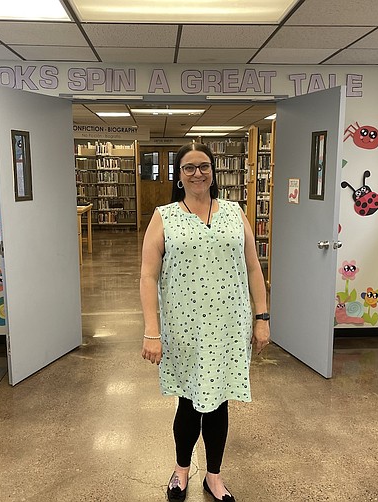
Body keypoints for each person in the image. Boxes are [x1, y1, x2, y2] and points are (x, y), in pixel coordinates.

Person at [140, 142, 270, 501]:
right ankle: (182, 469)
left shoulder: (234, 212)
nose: (198, 173)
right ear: (179, 176)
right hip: (184, 329)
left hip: (229, 327)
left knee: (219, 403)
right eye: (189, 167)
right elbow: (148, 277)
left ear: (213, 172)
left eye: (204, 166)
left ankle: (213, 475)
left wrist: (262, 317)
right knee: (187, 402)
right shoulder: (163, 216)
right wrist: (152, 331)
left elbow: (253, 268)